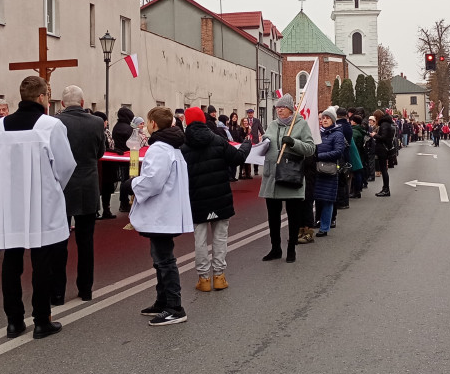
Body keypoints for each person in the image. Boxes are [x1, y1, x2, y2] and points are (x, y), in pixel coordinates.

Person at [0, 76, 76, 340]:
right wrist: (52, 186)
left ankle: (13, 321)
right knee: (43, 263)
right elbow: (65, 165)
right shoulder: (50, 125)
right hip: (42, 202)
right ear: (41, 98)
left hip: (8, 203)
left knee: (11, 263)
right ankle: (41, 320)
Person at [129, 107, 193, 326]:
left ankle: (174, 307)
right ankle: (162, 300)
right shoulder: (172, 147)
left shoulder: (159, 149)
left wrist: (132, 184)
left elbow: (153, 181)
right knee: (160, 259)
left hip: (162, 213)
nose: (146, 125)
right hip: (167, 211)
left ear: (153, 124)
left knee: (164, 260)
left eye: (148, 121)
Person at [181, 107, 251, 292]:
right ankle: (219, 276)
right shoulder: (217, 140)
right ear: (203, 120)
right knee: (220, 238)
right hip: (220, 197)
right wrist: (246, 144)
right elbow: (237, 158)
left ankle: (203, 279)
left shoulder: (183, 147)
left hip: (197, 199)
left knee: (200, 240)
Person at [53, 85, 106, 304]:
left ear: (63, 103)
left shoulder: (55, 123)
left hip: (62, 186)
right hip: (87, 185)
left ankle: (57, 292)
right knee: (86, 241)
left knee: (58, 241)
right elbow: (100, 151)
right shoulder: (95, 122)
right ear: (83, 103)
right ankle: (85, 289)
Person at [259, 94, 315, 263]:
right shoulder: (272, 125)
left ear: (291, 109)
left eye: (282, 107)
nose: (279, 110)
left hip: (291, 176)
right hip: (272, 177)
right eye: (277, 107)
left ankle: (291, 249)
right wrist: (263, 142)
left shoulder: (301, 124)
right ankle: (275, 248)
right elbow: (266, 144)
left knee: (293, 216)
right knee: (273, 217)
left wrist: (293, 143)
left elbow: (310, 148)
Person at [314, 108, 346, 237]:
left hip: (329, 171)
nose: (325, 120)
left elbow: (338, 151)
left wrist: (319, 156)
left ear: (333, 120)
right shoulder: (318, 133)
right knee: (318, 198)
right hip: (317, 170)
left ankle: (325, 227)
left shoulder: (338, 134)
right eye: (323, 118)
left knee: (327, 199)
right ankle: (318, 220)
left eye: (327, 118)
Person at [92, 111, 117, 219]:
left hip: (107, 165)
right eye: (105, 121)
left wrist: (115, 151)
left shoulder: (107, 132)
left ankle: (106, 210)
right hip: (100, 165)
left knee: (106, 188)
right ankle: (96, 210)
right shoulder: (96, 132)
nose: (106, 123)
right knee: (99, 188)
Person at [112, 107, 135, 212]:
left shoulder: (116, 127)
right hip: (130, 157)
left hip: (119, 156)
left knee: (123, 179)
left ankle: (123, 202)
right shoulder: (128, 129)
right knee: (128, 180)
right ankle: (126, 202)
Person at [373, 109, 395, 197]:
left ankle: (386, 189)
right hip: (384, 149)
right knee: (384, 170)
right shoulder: (386, 123)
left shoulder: (384, 124)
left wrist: (374, 135)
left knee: (384, 170)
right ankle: (385, 188)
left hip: (383, 149)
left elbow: (383, 137)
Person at [349, 114, 366, 198]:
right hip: (361, 152)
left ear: (354, 122)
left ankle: (356, 191)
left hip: (356, 152)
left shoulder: (354, 131)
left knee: (356, 172)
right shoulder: (361, 129)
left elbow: (354, 142)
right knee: (358, 171)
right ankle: (357, 190)